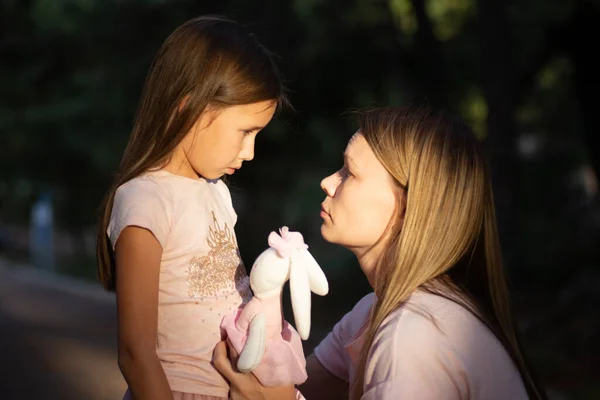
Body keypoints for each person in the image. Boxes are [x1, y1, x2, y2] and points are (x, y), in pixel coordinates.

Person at [213, 105, 547, 399]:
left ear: (408, 205)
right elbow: (299, 386)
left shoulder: (415, 335)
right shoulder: (374, 311)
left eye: (350, 172)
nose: (328, 182)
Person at [95, 16, 289, 400]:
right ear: (189, 110)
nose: (249, 153)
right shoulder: (145, 200)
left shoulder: (217, 192)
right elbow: (135, 353)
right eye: (245, 132)